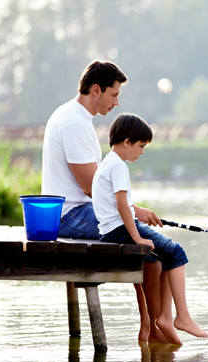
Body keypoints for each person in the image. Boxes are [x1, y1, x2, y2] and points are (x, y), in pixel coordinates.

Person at [41, 60, 164, 344]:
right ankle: (152, 326)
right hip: (70, 215)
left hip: (76, 210)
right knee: (146, 241)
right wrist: (134, 212)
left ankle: (151, 323)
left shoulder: (74, 117)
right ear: (96, 90)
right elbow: (90, 187)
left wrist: (132, 212)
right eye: (114, 94)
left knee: (143, 236)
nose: (117, 102)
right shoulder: (74, 122)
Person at [92, 113, 208, 344]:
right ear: (126, 142)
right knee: (177, 252)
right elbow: (122, 205)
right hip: (120, 230)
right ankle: (181, 317)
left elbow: (120, 206)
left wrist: (140, 222)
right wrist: (137, 236)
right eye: (141, 146)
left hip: (111, 230)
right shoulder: (118, 166)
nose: (142, 151)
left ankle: (165, 318)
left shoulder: (107, 163)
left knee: (165, 256)